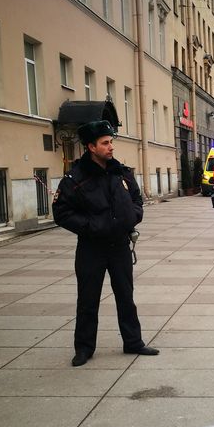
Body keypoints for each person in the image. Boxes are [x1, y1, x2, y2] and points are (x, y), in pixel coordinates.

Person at [53, 120, 160, 367]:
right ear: (91, 146)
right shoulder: (75, 177)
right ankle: (84, 348)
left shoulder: (121, 172)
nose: (111, 147)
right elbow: (61, 212)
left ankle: (133, 342)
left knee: (126, 296)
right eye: (105, 143)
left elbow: (136, 199)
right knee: (88, 299)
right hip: (91, 248)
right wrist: (92, 227)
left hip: (120, 245)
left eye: (111, 142)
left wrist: (132, 217)